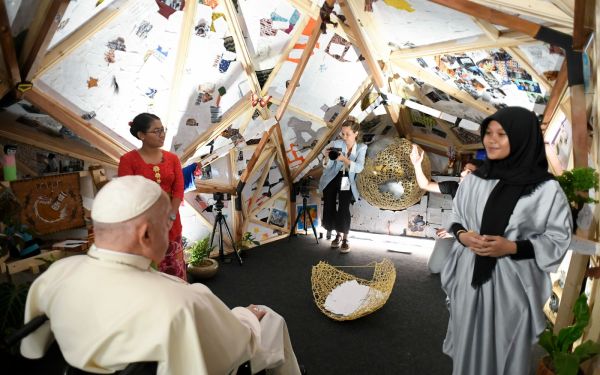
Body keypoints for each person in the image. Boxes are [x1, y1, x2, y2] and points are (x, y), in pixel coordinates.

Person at [20, 176, 302, 375]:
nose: (171, 230)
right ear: (146, 234)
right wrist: (248, 315)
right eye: (168, 221)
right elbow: (234, 348)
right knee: (269, 317)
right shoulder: (182, 302)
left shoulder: (56, 275)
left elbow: (33, 347)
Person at [441, 107, 572, 375]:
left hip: (511, 285)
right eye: (488, 133)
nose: (491, 140)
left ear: (523, 138)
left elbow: (558, 238)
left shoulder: (546, 189)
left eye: (501, 134)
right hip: (469, 279)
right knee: (468, 349)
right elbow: (456, 217)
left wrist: (511, 247)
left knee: (505, 351)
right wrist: (463, 236)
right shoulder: (475, 180)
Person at [118, 113, 186, 280]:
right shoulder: (128, 160)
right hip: (144, 225)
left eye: (163, 130)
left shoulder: (172, 159)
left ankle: (180, 303)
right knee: (151, 275)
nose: (162, 134)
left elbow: (178, 189)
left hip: (172, 221)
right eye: (156, 131)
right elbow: (128, 193)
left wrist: (170, 216)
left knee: (175, 270)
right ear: (141, 135)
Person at [409, 146, 482, 273]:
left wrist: (454, 233)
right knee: (434, 267)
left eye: (469, 172)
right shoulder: (454, 187)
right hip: (454, 232)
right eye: (464, 170)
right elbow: (425, 185)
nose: (462, 173)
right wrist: (416, 165)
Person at [318, 117, 367, 253]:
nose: (344, 137)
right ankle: (337, 235)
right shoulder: (337, 143)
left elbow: (359, 168)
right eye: (342, 133)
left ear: (356, 133)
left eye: (347, 134)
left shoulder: (362, 147)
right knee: (329, 203)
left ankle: (345, 238)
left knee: (344, 206)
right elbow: (328, 167)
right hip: (333, 176)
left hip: (346, 178)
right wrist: (327, 157)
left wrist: (345, 159)